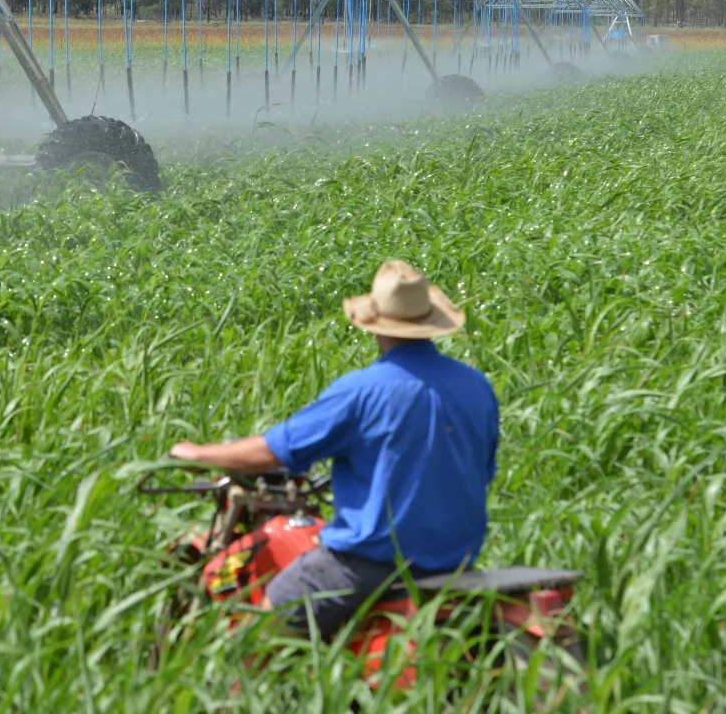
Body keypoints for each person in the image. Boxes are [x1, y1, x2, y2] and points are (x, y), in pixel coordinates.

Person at [169, 259, 499, 638]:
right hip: (457, 562)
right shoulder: (477, 387)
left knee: (259, 631)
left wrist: (197, 454)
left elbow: (274, 452)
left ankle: (246, 688)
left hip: (368, 564)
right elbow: (482, 470)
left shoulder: (363, 390)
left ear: (375, 324)